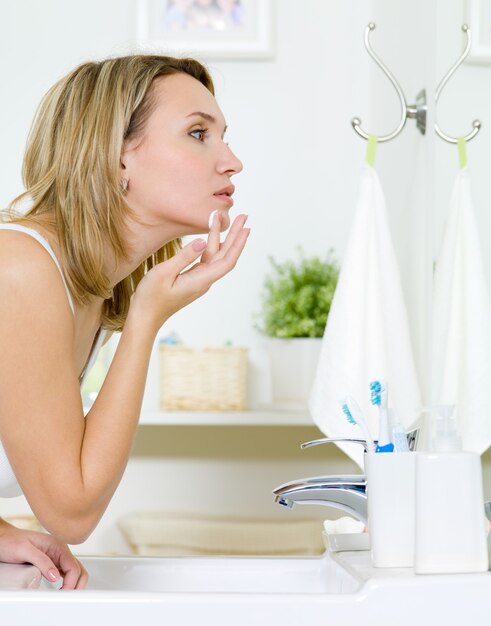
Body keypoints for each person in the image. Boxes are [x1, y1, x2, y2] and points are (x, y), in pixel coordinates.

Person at [0, 54, 249, 588]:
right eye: (199, 133)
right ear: (116, 159)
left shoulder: (83, 287)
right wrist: (145, 322)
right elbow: (73, 513)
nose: (231, 161)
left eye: (223, 135)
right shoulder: (21, 268)